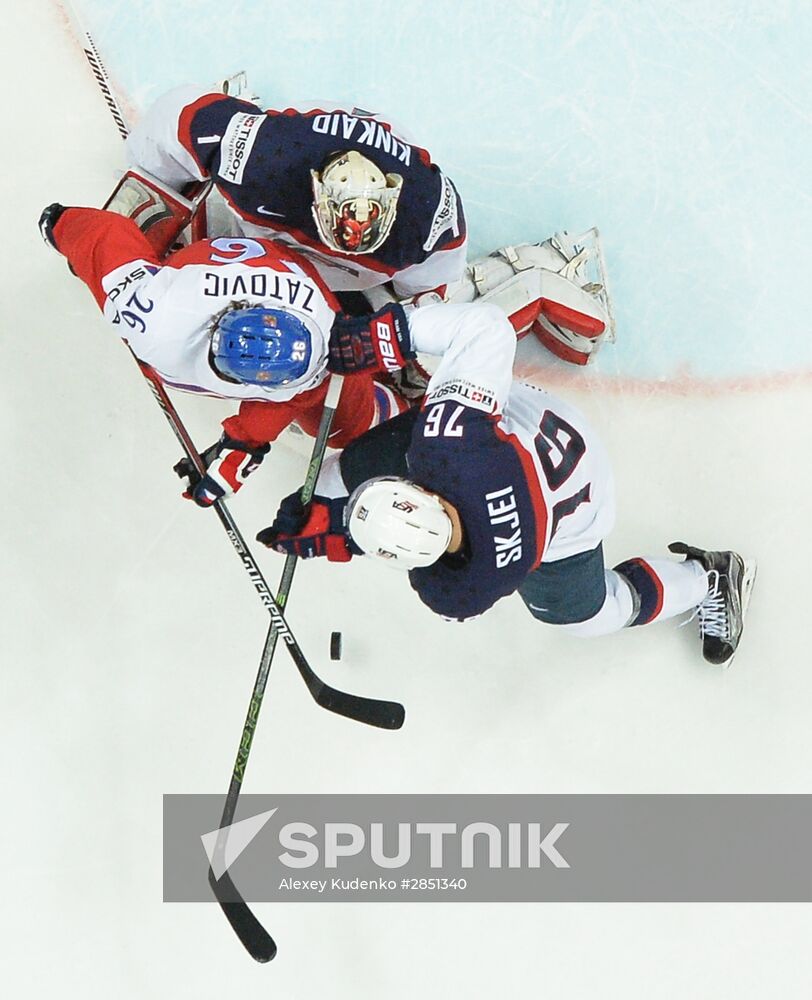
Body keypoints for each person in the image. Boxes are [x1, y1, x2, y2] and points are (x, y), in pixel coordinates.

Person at [259, 301, 756, 666]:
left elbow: (413, 551)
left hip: (574, 522)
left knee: (590, 613)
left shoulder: (468, 580)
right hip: (543, 431)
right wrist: (378, 336)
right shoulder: (445, 449)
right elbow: (486, 328)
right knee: (370, 456)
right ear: (423, 490)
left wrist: (341, 536)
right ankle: (705, 579)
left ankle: (709, 577)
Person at [124, 83, 614, 364]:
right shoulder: (260, 158)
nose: (352, 243)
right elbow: (180, 115)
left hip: (359, 243)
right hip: (286, 187)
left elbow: (430, 294)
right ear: (314, 192)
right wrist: (155, 188)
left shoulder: (427, 216)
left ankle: (531, 272)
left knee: (421, 360)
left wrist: (395, 335)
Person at [38, 202, 416, 506]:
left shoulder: (316, 335)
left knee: (343, 426)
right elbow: (105, 236)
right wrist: (62, 225)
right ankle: (195, 233)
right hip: (203, 271)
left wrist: (238, 447)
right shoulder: (155, 318)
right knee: (114, 272)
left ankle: (400, 404)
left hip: (297, 279)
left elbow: (294, 394)